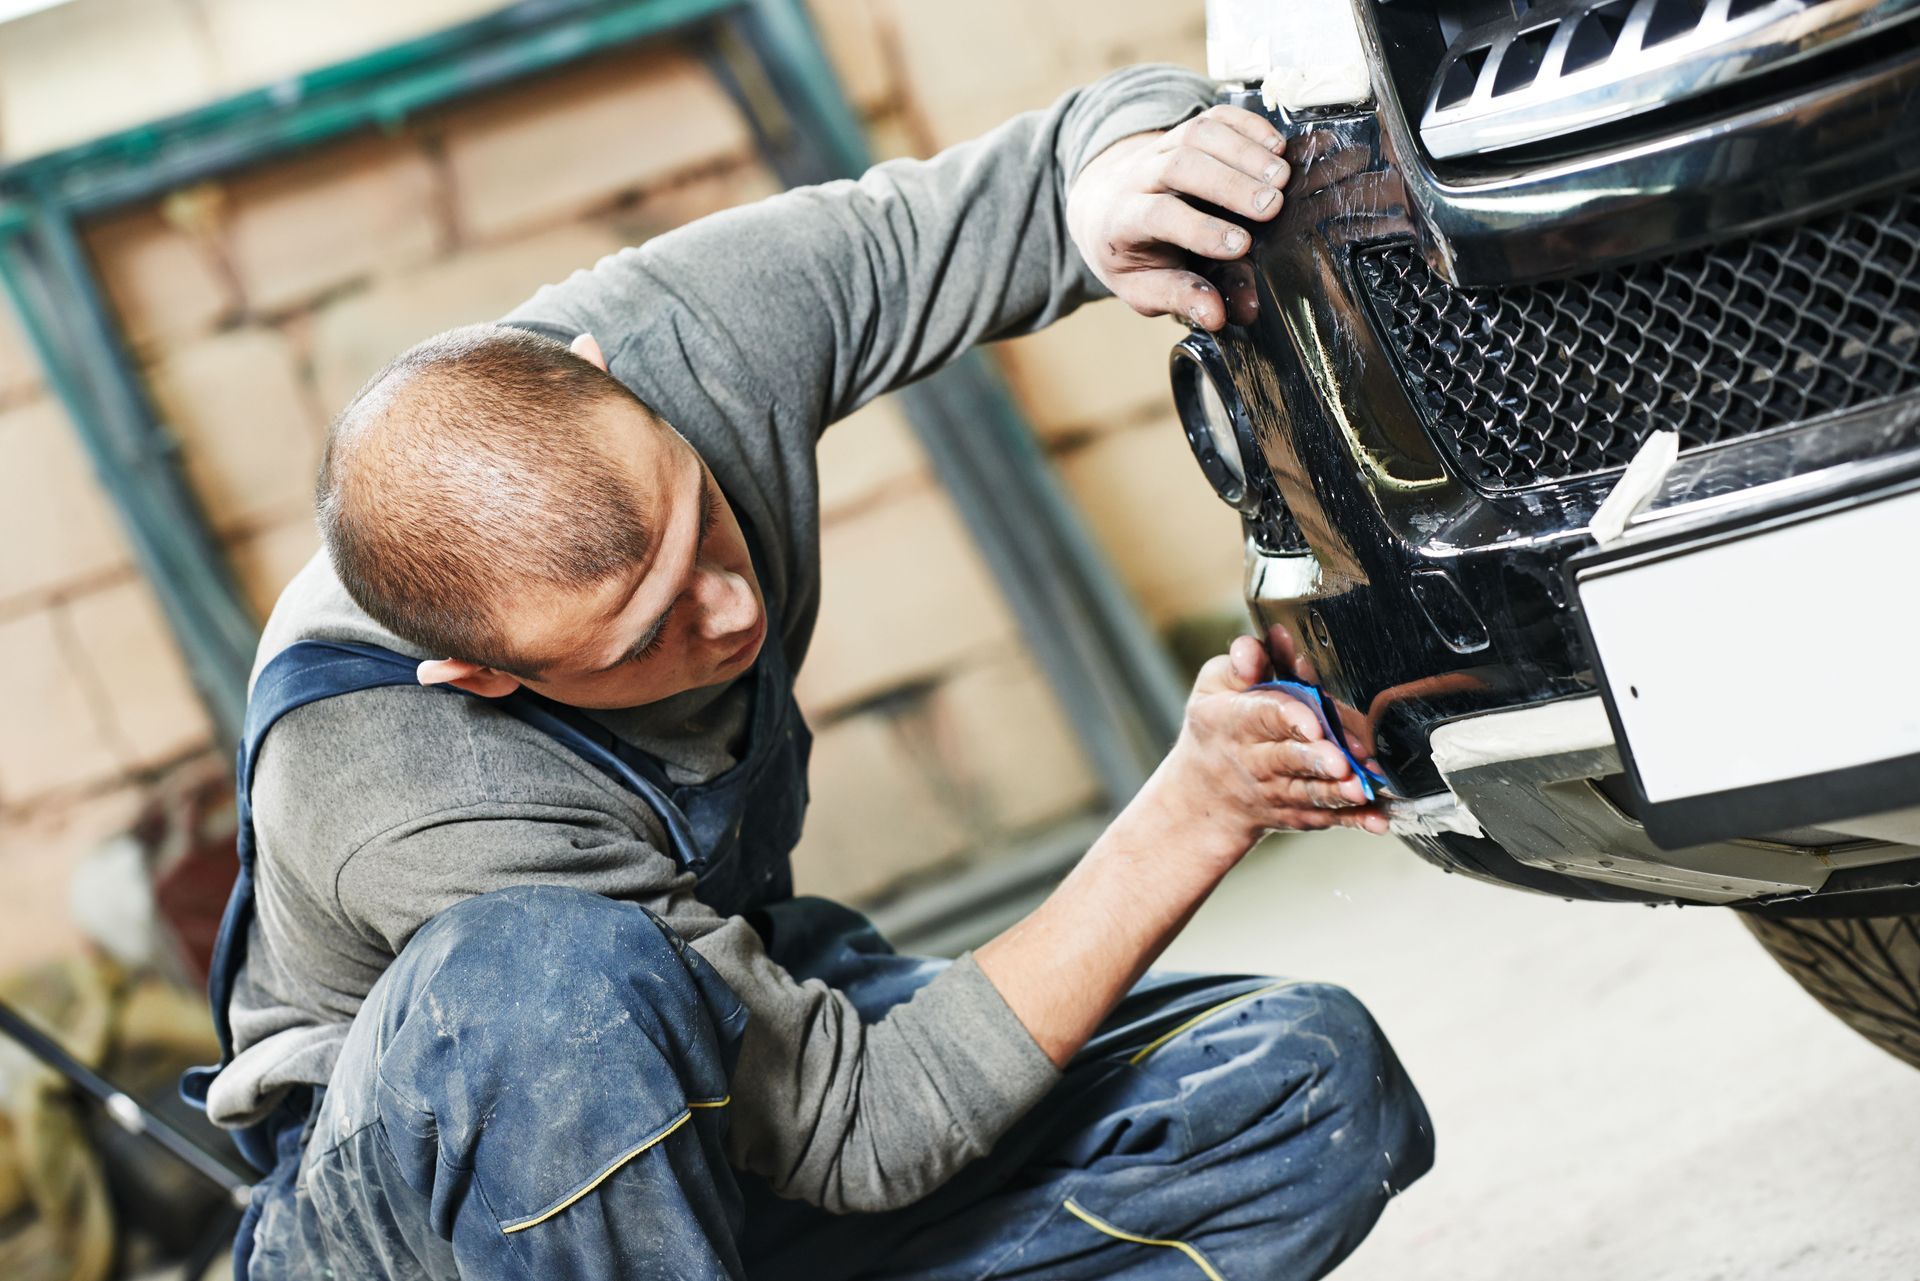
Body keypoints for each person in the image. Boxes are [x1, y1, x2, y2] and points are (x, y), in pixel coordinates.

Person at [186, 63, 1432, 1280]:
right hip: (447, 1213)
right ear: (483, 679)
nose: (730, 613)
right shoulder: (398, 789)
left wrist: (1125, 180)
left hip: (716, 1052)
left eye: (701, 525)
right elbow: (862, 1129)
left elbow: (1052, 168)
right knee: (552, 984)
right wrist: (1199, 806)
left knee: (1302, 1088)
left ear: (615, 381)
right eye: (643, 634)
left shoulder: (678, 340)